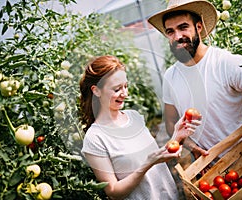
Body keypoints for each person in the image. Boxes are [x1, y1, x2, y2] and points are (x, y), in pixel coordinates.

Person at [148, 0, 242, 161]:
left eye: (183, 27)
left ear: (199, 27)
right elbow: (171, 123)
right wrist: (192, 146)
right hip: (207, 170)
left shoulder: (229, 63)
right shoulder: (170, 76)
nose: (177, 36)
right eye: (170, 31)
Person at [79, 55, 201, 199]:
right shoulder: (95, 139)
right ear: (96, 91)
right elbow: (113, 192)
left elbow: (155, 158)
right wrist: (146, 164)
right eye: (117, 89)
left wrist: (177, 136)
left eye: (125, 86)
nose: (125, 94)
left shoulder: (134, 117)